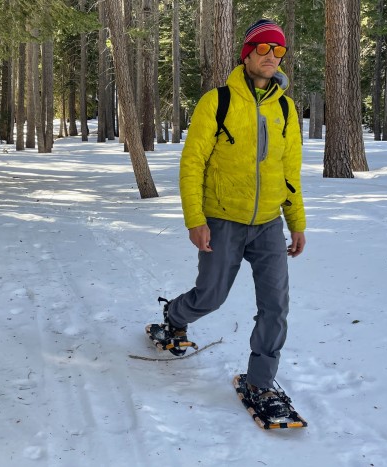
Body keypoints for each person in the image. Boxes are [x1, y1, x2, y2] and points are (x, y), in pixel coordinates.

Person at [148, 19, 306, 421]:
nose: (272, 56)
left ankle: (260, 382)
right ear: (247, 54)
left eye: (279, 50)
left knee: (275, 307)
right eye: (263, 48)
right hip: (222, 220)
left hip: (269, 223)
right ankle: (175, 317)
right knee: (212, 296)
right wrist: (195, 219)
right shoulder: (217, 102)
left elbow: (290, 171)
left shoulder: (285, 108)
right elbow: (192, 164)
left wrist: (296, 222)